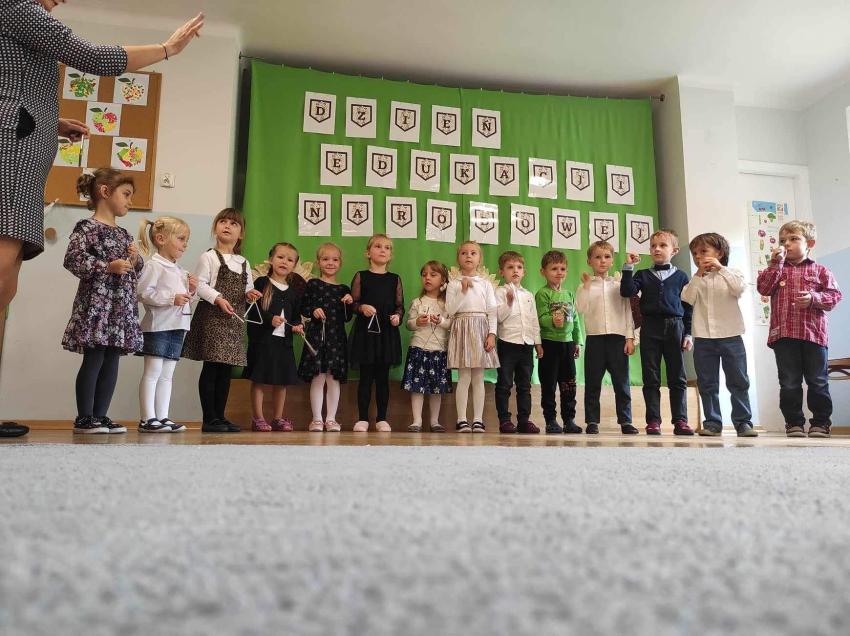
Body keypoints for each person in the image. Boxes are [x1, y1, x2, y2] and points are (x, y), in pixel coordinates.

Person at [0, 2, 203, 437]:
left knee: (6, 287)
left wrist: (50, 123)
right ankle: (87, 415)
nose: (61, 2)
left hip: (24, 164)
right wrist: (167, 48)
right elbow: (93, 57)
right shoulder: (16, 7)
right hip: (11, 161)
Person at [63, 168, 141, 434]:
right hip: (97, 306)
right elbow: (73, 259)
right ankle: (85, 417)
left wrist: (135, 260)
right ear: (105, 192)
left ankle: (100, 415)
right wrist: (107, 267)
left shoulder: (125, 234)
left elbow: (135, 271)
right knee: (94, 358)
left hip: (120, 308)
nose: (130, 201)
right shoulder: (87, 228)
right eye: (126, 194)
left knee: (112, 359)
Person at [756, 220, 842, 438]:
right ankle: (793, 423)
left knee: (818, 381)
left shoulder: (821, 270)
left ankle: (820, 423)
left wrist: (814, 298)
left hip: (814, 335)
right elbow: (763, 288)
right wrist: (775, 264)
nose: (787, 244)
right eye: (783, 240)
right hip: (784, 336)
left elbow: (834, 297)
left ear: (809, 243)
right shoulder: (776, 269)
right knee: (789, 382)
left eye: (794, 239)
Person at [181, 208, 262, 433]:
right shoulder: (208, 257)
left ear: (241, 234)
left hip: (233, 321)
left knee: (225, 369)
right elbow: (200, 285)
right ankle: (209, 418)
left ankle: (220, 415)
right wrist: (218, 298)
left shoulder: (243, 262)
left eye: (234, 223)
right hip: (213, 318)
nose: (227, 225)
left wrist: (251, 294)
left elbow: (247, 288)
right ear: (215, 228)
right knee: (212, 366)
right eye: (223, 221)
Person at [682, 233, 757, 437]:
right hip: (703, 338)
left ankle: (743, 423)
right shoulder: (696, 279)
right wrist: (698, 275)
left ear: (720, 253)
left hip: (731, 335)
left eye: (703, 251)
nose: (698, 256)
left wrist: (721, 269)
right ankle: (712, 423)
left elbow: (738, 289)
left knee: (738, 381)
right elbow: (687, 298)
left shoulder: (733, 273)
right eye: (695, 253)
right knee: (707, 383)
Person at [620, 229, 693, 435]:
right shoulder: (643, 274)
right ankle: (653, 421)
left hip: (675, 327)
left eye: (662, 245)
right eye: (653, 246)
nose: (657, 249)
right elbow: (626, 291)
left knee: (677, 376)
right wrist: (629, 267)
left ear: (674, 250)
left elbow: (688, 307)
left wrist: (688, 334)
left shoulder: (681, 276)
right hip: (650, 327)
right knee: (651, 377)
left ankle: (680, 420)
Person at [135, 216, 196, 433]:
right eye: (181, 239)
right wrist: (172, 298)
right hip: (158, 326)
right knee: (152, 372)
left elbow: (182, 298)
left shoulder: (180, 270)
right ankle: (147, 418)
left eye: (186, 240)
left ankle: (162, 416)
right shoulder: (154, 266)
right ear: (161, 239)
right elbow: (142, 293)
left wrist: (191, 290)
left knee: (167, 375)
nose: (185, 244)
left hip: (177, 326)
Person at [576, 241, 637, 435]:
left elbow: (628, 312)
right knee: (593, 382)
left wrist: (630, 338)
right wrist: (586, 287)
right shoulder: (584, 286)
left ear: (612, 261)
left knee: (622, 382)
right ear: (589, 261)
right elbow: (580, 308)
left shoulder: (619, 285)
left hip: (618, 339)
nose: (602, 261)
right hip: (595, 339)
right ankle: (592, 421)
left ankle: (626, 421)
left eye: (607, 257)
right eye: (597, 257)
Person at [244, 243, 305, 432]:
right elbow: (252, 309)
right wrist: (269, 319)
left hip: (284, 343)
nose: (284, 262)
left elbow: (296, 316)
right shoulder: (262, 283)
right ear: (271, 259)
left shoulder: (294, 291)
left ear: (294, 265)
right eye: (280, 257)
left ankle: (278, 418)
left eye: (290, 259)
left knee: (281, 381)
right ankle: (258, 418)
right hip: (262, 342)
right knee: (259, 379)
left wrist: (297, 325)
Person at [349, 234, 403, 432]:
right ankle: (363, 418)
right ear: (368, 253)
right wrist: (362, 307)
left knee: (382, 378)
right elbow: (353, 303)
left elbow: (399, 306)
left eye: (387, 248)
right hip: (366, 334)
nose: (382, 250)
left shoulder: (394, 279)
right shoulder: (361, 276)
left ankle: (382, 418)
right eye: (378, 246)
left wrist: (397, 317)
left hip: (386, 334)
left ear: (391, 255)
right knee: (365, 377)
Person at [298, 243, 353, 432]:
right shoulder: (313, 284)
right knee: (318, 377)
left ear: (340, 263)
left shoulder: (344, 289)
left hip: (336, 339)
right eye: (325, 259)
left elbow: (347, 317)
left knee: (333, 378)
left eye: (335, 259)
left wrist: (348, 303)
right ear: (318, 262)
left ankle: (331, 419)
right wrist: (314, 310)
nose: (330, 263)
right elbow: (304, 307)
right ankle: (316, 419)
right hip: (316, 337)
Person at [446, 241, 499, 433]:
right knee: (464, 376)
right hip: (461, 327)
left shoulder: (485, 284)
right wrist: (463, 290)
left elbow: (492, 310)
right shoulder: (453, 284)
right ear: (458, 258)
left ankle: (478, 419)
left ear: (479, 259)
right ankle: (461, 419)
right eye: (464, 253)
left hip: (480, 328)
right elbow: (450, 310)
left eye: (473, 253)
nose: (468, 256)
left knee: (478, 376)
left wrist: (492, 334)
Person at [494, 251, 542, 434]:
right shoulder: (500, 292)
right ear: (502, 272)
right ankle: (504, 420)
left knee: (524, 385)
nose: (515, 270)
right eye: (510, 267)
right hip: (507, 343)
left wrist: (537, 342)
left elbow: (533, 320)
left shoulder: (528, 294)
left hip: (526, 344)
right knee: (504, 383)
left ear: (524, 272)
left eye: (519, 267)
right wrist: (508, 302)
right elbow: (499, 318)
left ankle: (524, 420)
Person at [535, 250, 582, 434]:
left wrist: (577, 341)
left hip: (567, 345)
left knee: (568, 384)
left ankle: (569, 419)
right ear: (543, 272)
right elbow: (540, 318)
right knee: (549, 384)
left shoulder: (569, 294)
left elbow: (575, 319)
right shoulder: (543, 294)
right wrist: (552, 320)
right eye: (554, 269)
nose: (559, 272)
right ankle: (551, 420)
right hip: (549, 344)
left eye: (562, 269)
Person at [402, 260, 452, 432]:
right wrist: (417, 322)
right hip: (418, 349)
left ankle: (434, 421)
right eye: (424, 275)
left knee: (437, 389)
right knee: (417, 388)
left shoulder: (447, 304)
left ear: (443, 279)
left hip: (439, 351)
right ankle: (416, 421)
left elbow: (451, 324)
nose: (427, 278)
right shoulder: (418, 302)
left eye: (433, 275)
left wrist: (442, 321)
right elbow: (409, 324)